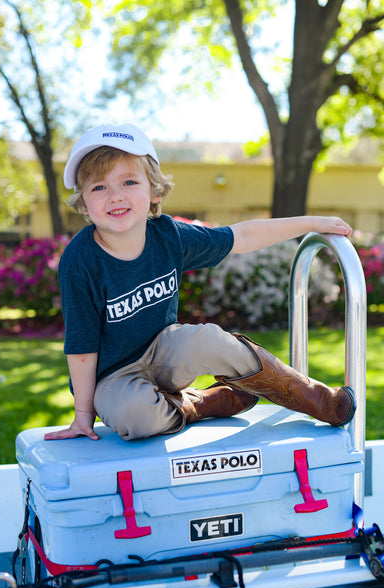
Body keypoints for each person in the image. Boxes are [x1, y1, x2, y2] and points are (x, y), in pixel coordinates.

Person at [44, 123, 355, 443]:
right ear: (83, 201)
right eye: (99, 187)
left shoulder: (169, 236)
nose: (116, 196)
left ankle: (316, 398)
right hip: (113, 378)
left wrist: (314, 223)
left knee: (206, 339)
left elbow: (242, 235)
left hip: (164, 352)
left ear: (154, 190)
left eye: (129, 181)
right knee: (135, 417)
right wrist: (83, 417)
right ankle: (201, 403)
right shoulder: (79, 262)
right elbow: (81, 349)